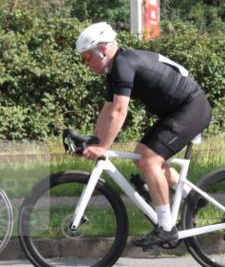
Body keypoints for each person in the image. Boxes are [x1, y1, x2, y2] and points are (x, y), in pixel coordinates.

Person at [74, 22, 212, 248]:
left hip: (191, 107)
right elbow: (108, 109)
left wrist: (103, 147)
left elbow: (120, 111)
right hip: (177, 110)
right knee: (142, 157)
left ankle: (167, 228)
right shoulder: (115, 68)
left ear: (104, 49)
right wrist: (94, 140)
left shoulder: (124, 65)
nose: (86, 64)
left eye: (88, 57)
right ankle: (193, 197)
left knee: (149, 161)